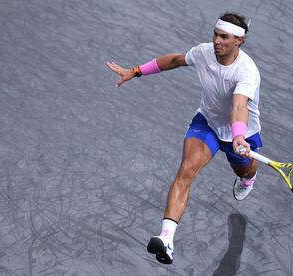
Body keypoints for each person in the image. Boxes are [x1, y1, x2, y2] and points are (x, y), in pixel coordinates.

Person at [106, 12, 262, 265]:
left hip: (241, 133)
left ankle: (248, 178)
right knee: (186, 170)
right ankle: (166, 238)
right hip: (207, 124)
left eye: (224, 37)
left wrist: (238, 135)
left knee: (244, 170)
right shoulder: (203, 52)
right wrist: (135, 71)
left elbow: (239, 106)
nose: (217, 41)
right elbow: (175, 60)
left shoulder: (247, 72)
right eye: (215, 34)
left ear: (239, 42)